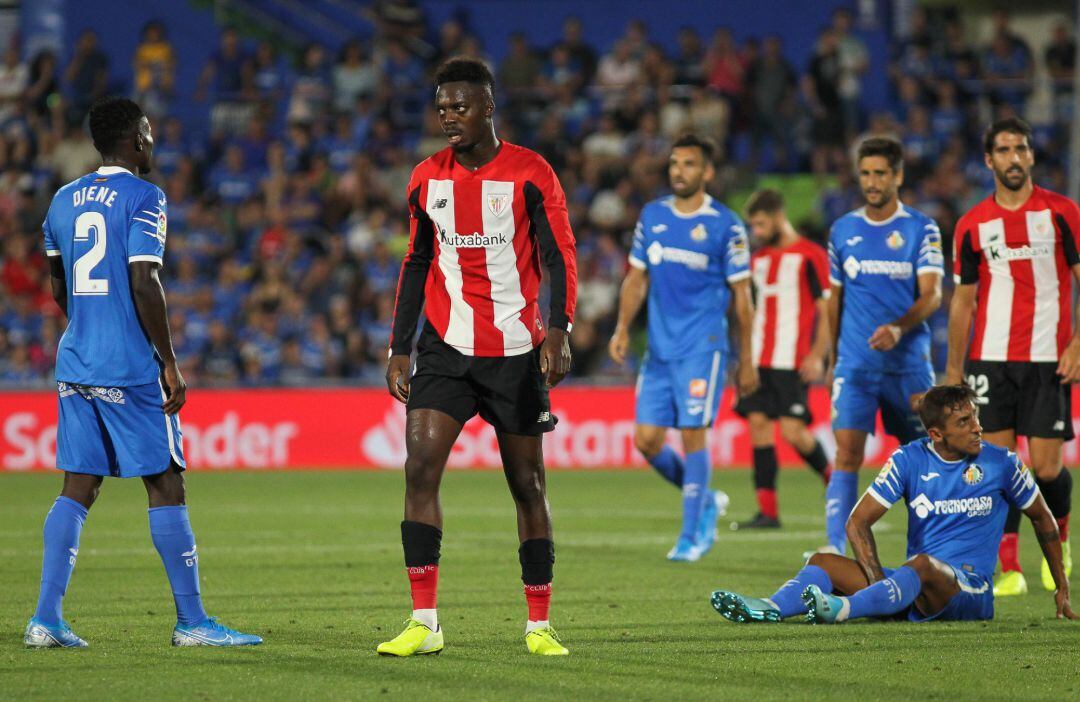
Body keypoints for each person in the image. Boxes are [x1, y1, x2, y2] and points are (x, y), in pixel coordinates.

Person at [25, 97, 261, 648]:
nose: (154, 142)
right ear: (136, 136)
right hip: (129, 366)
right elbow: (144, 279)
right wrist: (170, 361)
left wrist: (90, 326)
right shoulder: (145, 196)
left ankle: (45, 620)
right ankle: (193, 623)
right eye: (150, 132)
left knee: (78, 486)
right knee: (165, 482)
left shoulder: (61, 200)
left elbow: (58, 286)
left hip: (76, 360)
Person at [379, 58, 577, 657]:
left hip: (515, 349)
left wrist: (560, 330)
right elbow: (415, 263)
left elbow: (558, 254)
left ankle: (538, 624)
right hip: (444, 346)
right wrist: (399, 346)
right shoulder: (424, 179)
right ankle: (424, 621)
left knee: (526, 482)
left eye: (461, 107)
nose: (449, 117)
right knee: (420, 468)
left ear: (489, 107)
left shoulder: (529, 172)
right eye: (442, 108)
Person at [711, 384, 1076, 624]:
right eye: (964, 422)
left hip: (970, 591)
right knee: (821, 562)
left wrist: (1062, 586)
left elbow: (1043, 519)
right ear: (936, 434)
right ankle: (771, 607)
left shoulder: (1003, 463)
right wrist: (876, 584)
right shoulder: (909, 460)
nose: (977, 427)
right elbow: (857, 523)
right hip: (909, 585)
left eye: (975, 417)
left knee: (922, 565)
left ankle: (843, 610)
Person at [944, 117, 1079, 596]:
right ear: (989, 160)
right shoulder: (972, 225)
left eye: (1020, 148)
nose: (1014, 157)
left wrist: (1078, 343)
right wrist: (954, 368)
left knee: (1044, 469)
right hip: (990, 361)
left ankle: (1058, 541)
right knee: (1000, 465)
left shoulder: (1063, 213)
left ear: (1031, 156)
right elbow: (963, 300)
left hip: (1048, 359)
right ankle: (1010, 569)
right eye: (1003, 150)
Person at [608, 134, 756, 561]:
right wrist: (621, 328)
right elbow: (636, 278)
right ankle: (706, 498)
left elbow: (742, 297)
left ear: (707, 172)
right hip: (659, 350)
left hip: (703, 348)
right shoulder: (653, 216)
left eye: (689, 164)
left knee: (694, 435)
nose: (679, 171)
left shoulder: (726, 225)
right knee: (647, 440)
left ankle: (693, 535)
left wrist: (746, 359)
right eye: (674, 163)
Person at [822, 137, 944, 555]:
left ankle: (924, 551)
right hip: (856, 365)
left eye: (880, 174)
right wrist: (831, 357)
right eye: (866, 174)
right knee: (847, 451)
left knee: (921, 458)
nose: (871, 182)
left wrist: (898, 326)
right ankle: (837, 550)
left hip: (909, 365)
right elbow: (833, 298)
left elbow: (932, 295)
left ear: (898, 176)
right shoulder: (842, 229)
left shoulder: (921, 229)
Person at [733, 189, 831, 529]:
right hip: (757, 360)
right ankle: (768, 512)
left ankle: (837, 488)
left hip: (792, 359)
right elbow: (747, 313)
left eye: (760, 225)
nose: (756, 232)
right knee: (758, 427)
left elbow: (827, 311)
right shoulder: (757, 260)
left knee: (794, 432)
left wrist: (819, 355)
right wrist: (744, 359)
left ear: (777, 216)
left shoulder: (810, 255)